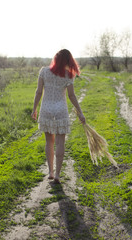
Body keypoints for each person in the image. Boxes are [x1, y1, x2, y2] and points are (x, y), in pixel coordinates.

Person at [31, 49, 85, 184]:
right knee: (61, 142)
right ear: (68, 61)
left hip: (46, 109)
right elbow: (71, 96)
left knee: (49, 142)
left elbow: (38, 92)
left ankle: (50, 172)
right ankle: (58, 175)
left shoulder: (44, 71)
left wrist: (34, 109)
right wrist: (80, 112)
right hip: (61, 110)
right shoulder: (68, 75)